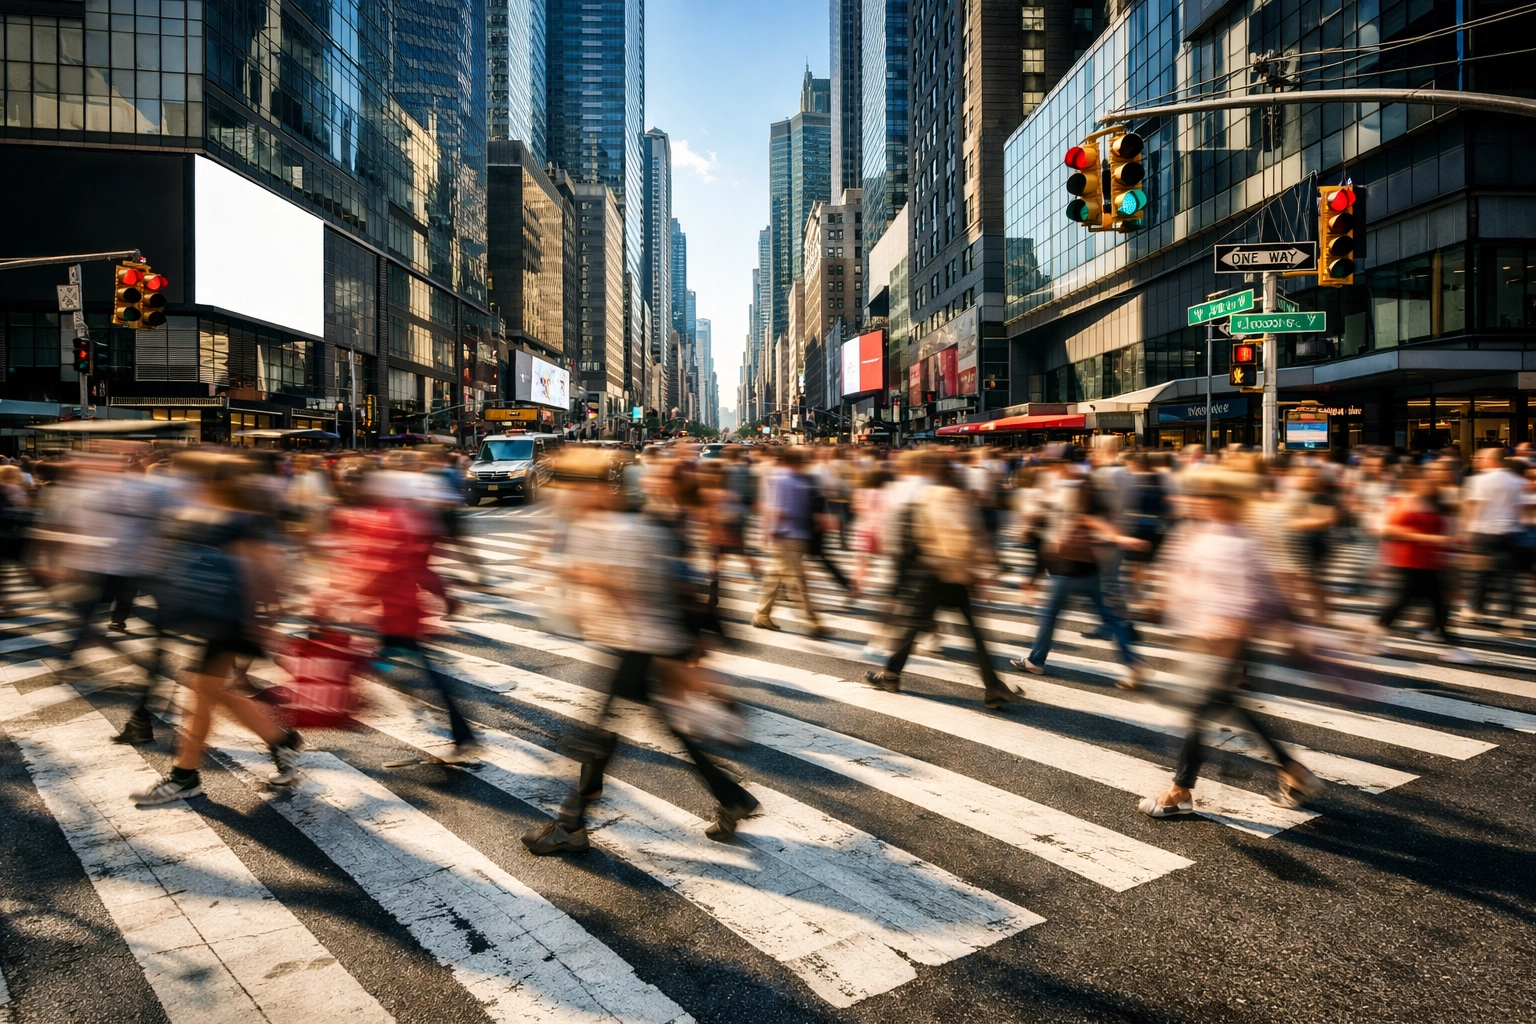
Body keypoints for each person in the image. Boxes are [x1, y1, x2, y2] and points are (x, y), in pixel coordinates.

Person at [523, 449, 757, 855]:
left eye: (572, 486)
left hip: (636, 642)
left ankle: (572, 822)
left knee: (599, 733)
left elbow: (628, 588)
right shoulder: (629, 522)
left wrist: (581, 575)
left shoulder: (621, 528)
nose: (563, 495)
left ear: (597, 488)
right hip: (638, 642)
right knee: (655, 728)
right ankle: (730, 797)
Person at [1137, 466, 1321, 817]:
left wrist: (1228, 638)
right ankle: (1293, 772)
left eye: (1210, 496)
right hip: (1206, 639)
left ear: (1230, 501)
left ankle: (1179, 791)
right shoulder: (1207, 532)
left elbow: (1254, 594)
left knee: (1199, 712)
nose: (1201, 501)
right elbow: (1184, 576)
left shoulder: (1242, 540)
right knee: (1230, 710)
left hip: (1226, 641)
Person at [131, 452, 304, 805]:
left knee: (200, 698)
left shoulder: (241, 520)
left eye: (189, 478)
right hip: (213, 619)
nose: (182, 484)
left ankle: (184, 776)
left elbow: (264, 572)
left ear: (211, 482)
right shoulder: (207, 514)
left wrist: (262, 621)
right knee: (206, 692)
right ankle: (280, 741)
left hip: (231, 622)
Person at [864, 450, 1015, 709]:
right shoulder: (958, 493)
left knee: (911, 626)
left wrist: (898, 581)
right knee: (974, 633)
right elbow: (975, 533)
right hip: (957, 574)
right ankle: (993, 686)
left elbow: (906, 538)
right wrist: (981, 569)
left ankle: (890, 675)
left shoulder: (921, 493)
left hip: (929, 571)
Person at [1013, 455, 1150, 689]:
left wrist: (1033, 576)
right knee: (1110, 618)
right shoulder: (1085, 490)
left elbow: (1049, 537)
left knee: (1048, 618)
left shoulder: (1063, 494)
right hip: (1089, 570)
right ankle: (1133, 663)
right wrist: (1118, 537)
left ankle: (1036, 661)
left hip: (1063, 570)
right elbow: (1094, 520)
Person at [753, 447, 828, 637]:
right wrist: (770, 531)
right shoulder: (782, 480)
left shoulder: (798, 480)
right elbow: (776, 509)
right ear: (795, 462)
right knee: (797, 580)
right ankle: (813, 622)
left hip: (796, 535)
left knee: (775, 577)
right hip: (787, 535)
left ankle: (762, 614)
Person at [1460, 447, 1527, 627]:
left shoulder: (1480, 480)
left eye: (1482, 458)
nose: (1479, 461)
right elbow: (1519, 507)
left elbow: (1474, 506)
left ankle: (1475, 609)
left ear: (1492, 460)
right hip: (1508, 532)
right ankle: (1512, 615)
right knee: (1507, 575)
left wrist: (1468, 529)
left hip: (1483, 532)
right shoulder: (1516, 481)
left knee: (1480, 574)